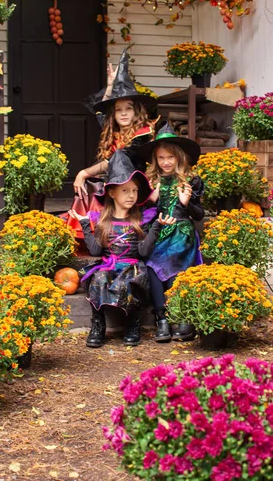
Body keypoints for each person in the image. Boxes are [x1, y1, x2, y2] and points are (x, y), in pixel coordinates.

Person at [68, 151, 176, 348]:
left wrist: (157, 227)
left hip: (132, 266)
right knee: (98, 278)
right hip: (109, 265)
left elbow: (143, 252)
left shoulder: (141, 219)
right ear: (112, 192)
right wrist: (85, 224)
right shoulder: (102, 220)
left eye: (134, 191)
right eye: (125, 191)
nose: (131, 196)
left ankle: (132, 324)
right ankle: (98, 325)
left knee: (129, 281)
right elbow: (95, 252)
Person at [137, 122, 204, 343]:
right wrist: (151, 201)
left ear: (179, 158)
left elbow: (199, 214)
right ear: (155, 160)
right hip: (157, 231)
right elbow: (142, 213)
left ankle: (180, 314)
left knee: (174, 259)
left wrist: (186, 203)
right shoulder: (151, 182)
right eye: (161, 158)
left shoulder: (191, 180)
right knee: (152, 266)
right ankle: (162, 318)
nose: (165, 162)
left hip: (181, 233)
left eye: (170, 158)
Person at [73, 49, 157, 199]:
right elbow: (101, 112)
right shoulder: (114, 130)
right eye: (118, 110)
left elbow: (116, 159)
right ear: (114, 115)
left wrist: (84, 173)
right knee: (86, 190)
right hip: (113, 184)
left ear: (136, 112)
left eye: (128, 109)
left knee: (90, 180)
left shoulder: (142, 133)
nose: (123, 113)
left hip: (133, 187)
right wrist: (111, 86)